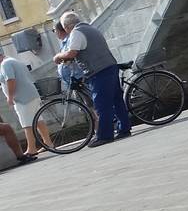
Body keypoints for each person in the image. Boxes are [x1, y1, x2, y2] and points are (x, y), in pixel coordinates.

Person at [52, 12, 129, 145]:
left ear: (66, 27)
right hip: (110, 66)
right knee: (117, 100)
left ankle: (104, 136)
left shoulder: (76, 32)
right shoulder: (91, 28)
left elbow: (72, 53)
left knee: (101, 104)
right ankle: (124, 129)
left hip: (98, 71)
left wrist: (58, 56)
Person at [0, 53, 43, 161]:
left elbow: (10, 80)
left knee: (26, 124)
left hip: (23, 98)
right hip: (30, 93)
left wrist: (10, 97)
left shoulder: (5, 64)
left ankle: (31, 149)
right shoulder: (13, 60)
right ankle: (48, 142)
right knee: (38, 120)